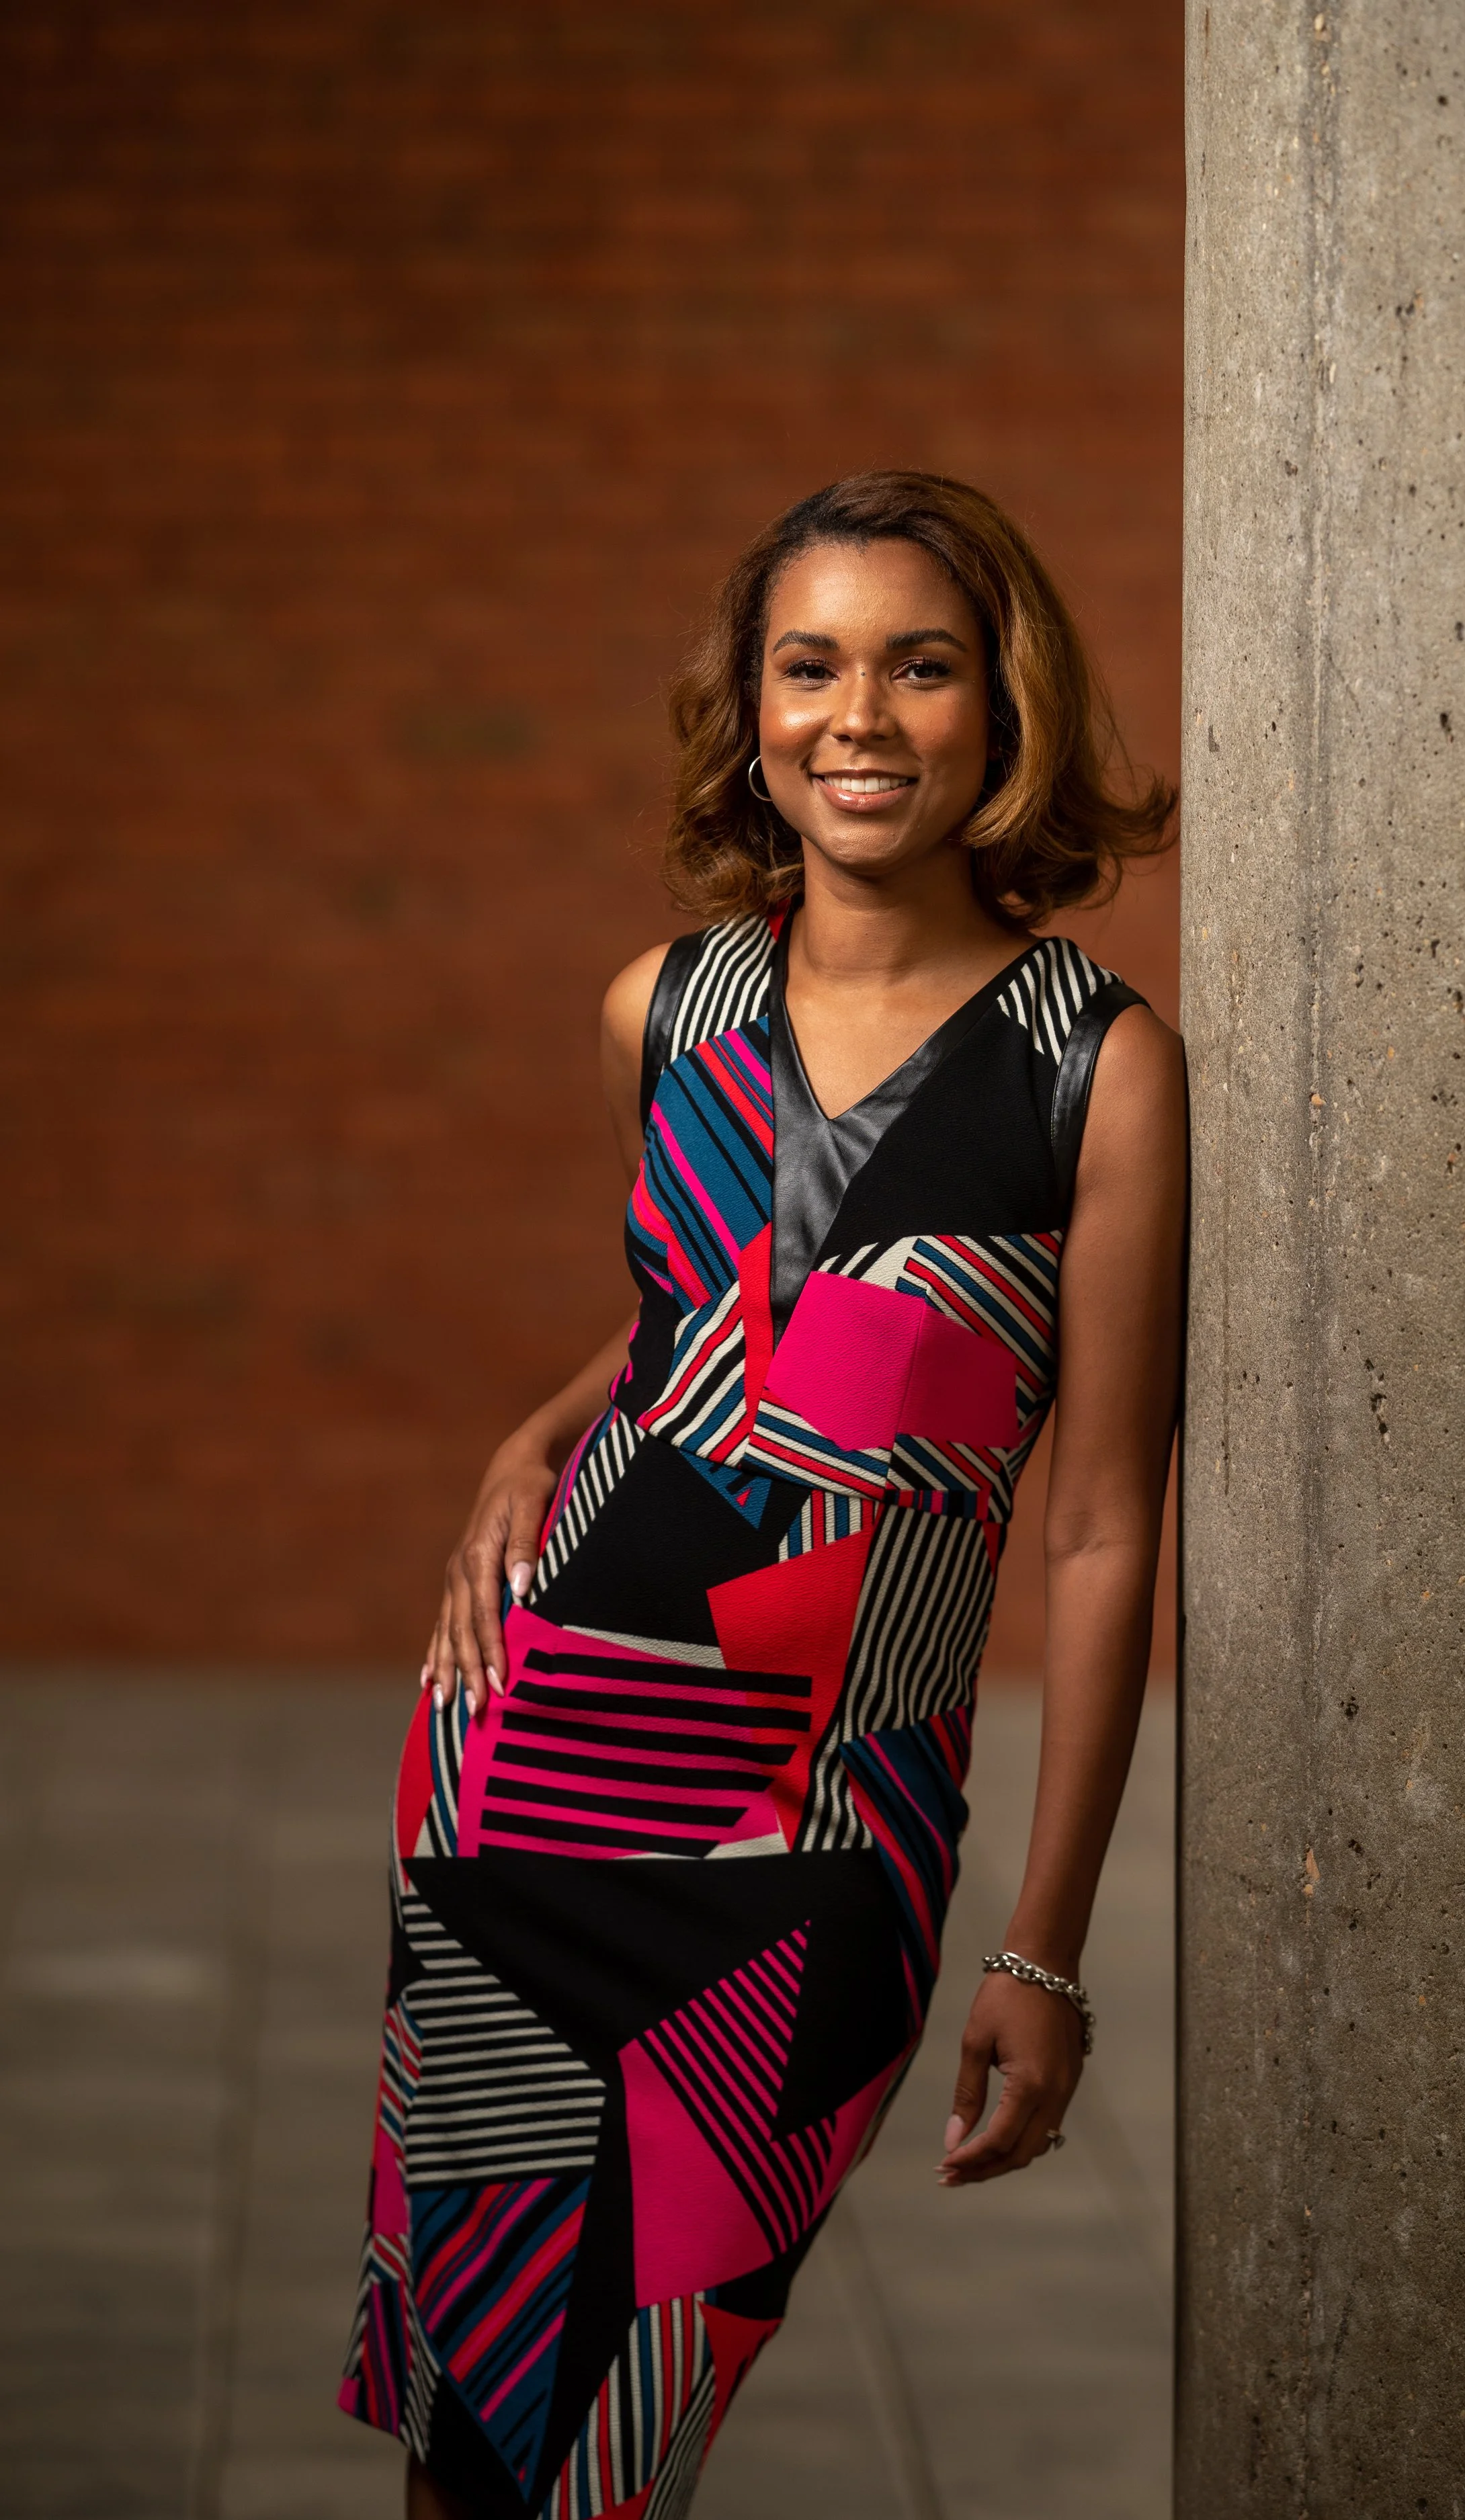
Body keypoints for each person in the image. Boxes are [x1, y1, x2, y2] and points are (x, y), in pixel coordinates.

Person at [339, 470, 1185, 2520]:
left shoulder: (1094, 1067)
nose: (860, 716)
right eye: (808, 665)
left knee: (622, 2446)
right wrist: (528, 1433)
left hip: (809, 1838)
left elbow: (1095, 1521)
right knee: (473, 2445)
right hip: (521, 1775)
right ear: (749, 708)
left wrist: (1044, 1949)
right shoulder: (669, 1004)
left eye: (921, 663)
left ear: (1006, 707)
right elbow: (711, 1321)